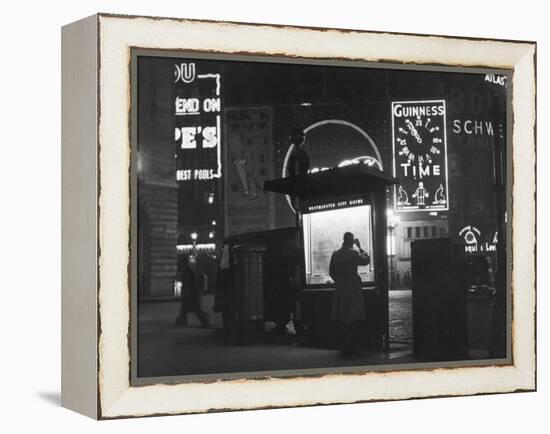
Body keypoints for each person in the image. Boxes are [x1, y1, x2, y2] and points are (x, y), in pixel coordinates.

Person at [329, 232, 370, 356]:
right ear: (352, 241)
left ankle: (344, 346)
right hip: (353, 289)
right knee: (353, 319)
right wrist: (360, 247)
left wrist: (339, 281)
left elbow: (331, 271)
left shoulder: (335, 253)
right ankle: (352, 346)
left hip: (341, 289)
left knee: (343, 318)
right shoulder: (353, 252)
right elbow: (366, 260)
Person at [175, 254, 210, 328]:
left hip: (191, 292)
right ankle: (182, 320)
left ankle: (205, 321)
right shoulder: (188, 269)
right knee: (186, 308)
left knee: (195, 308)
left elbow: (189, 282)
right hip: (191, 292)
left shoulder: (187, 270)